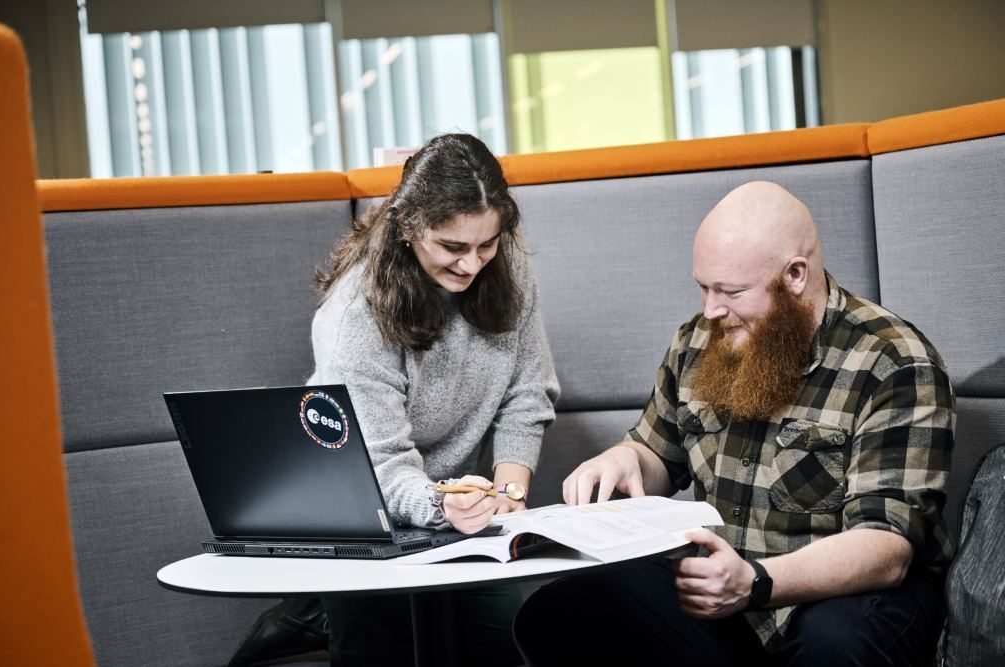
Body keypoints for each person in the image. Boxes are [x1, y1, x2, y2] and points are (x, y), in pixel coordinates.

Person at [514, 181, 954, 667]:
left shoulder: (894, 362)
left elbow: (886, 549)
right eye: (703, 287)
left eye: (731, 291)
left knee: (833, 640)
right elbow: (657, 454)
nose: (710, 310)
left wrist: (756, 582)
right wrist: (624, 459)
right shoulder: (700, 340)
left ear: (795, 276)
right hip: (728, 594)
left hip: (845, 596)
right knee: (557, 614)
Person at [309, 132, 557, 666]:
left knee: (508, 642)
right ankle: (311, 611)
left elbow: (525, 395)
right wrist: (440, 504)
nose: (472, 265)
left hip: (458, 510)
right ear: (408, 225)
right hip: (363, 513)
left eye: (486, 244)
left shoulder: (506, 265)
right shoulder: (356, 313)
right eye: (452, 247)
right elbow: (380, 463)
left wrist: (509, 494)